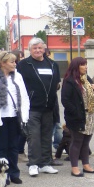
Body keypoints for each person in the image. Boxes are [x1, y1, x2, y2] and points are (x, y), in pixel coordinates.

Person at [0, 51, 30, 184]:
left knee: (14, 146)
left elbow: (24, 96)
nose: (15, 64)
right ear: (3, 63)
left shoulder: (18, 76)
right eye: (12, 62)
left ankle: (14, 173)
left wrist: (24, 115)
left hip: (15, 116)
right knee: (2, 147)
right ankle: (2, 174)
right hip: (0, 117)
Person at [17, 37, 60, 176]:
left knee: (47, 136)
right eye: (34, 48)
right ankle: (33, 164)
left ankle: (45, 163)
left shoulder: (53, 64)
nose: (37, 50)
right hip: (32, 108)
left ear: (44, 49)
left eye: (40, 48)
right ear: (30, 50)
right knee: (34, 137)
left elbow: (57, 84)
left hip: (48, 107)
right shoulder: (23, 65)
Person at [61, 57, 94, 177]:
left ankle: (86, 165)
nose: (86, 67)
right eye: (83, 65)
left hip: (90, 115)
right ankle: (74, 167)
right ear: (76, 66)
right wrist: (76, 112)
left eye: (86, 64)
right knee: (77, 141)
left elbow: (92, 95)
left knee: (86, 142)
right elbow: (65, 100)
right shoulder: (69, 80)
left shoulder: (87, 78)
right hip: (77, 117)